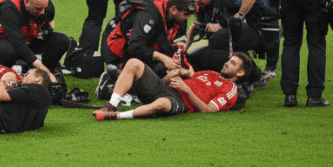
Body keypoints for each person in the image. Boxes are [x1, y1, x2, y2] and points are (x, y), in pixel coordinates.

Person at [95, 53, 251, 119]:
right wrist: (168, 78)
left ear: (241, 73)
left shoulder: (230, 90)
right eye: (229, 60)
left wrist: (187, 90)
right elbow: (180, 81)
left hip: (179, 102)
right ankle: (111, 106)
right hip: (167, 89)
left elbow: (207, 110)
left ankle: (118, 116)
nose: (226, 63)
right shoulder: (210, 73)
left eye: (233, 63)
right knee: (134, 63)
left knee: (163, 103)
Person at [185, 0, 280, 77]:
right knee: (206, 51)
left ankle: (253, 76)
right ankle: (250, 74)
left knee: (218, 39)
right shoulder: (207, 1)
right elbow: (197, 24)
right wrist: (187, 43)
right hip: (247, 29)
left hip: (260, 31)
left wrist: (237, 17)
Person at [0, 0, 67, 77]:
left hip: (26, 40)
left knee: (62, 40)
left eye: (44, 8)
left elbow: (50, 24)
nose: (42, 12)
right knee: (6, 51)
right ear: (27, 2)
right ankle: (2, 76)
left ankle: (43, 77)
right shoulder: (7, 8)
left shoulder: (43, 6)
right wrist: (44, 68)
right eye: (38, 9)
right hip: (2, 43)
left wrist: (44, 31)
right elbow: (18, 43)